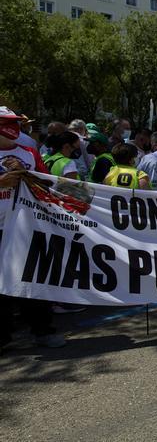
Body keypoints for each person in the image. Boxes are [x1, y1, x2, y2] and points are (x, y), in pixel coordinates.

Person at [0, 106, 66, 350]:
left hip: (24, 228)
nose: (14, 127)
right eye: (7, 123)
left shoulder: (29, 152)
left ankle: (42, 331)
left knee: (33, 279)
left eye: (16, 122)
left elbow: (48, 183)